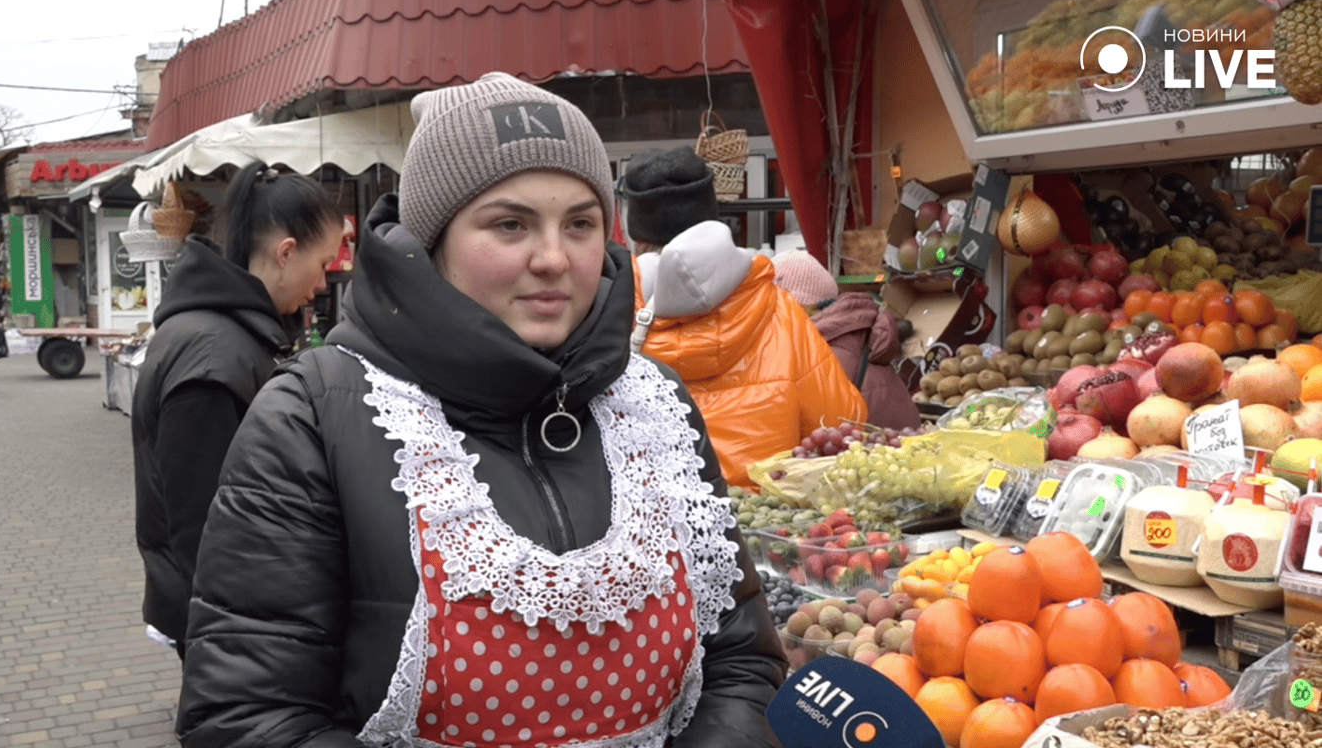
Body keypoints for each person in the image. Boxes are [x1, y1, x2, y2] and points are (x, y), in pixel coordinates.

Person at [176, 73, 785, 748]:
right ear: (432, 242)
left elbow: (741, 660)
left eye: (580, 223)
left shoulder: (657, 408)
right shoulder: (314, 420)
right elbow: (248, 720)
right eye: (510, 224)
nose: (554, 258)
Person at [132, 163, 344, 660]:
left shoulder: (229, 335)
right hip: (225, 618)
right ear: (287, 253)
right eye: (323, 264)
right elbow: (204, 525)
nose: (322, 284)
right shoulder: (215, 356)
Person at [622, 147, 868, 489]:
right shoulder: (782, 312)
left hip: (654, 530)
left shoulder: (608, 318)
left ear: (636, 237)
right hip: (763, 524)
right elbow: (844, 426)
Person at [773, 249, 922, 431]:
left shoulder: (821, 350)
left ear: (794, 302)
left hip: (869, 455)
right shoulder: (853, 333)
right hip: (902, 449)